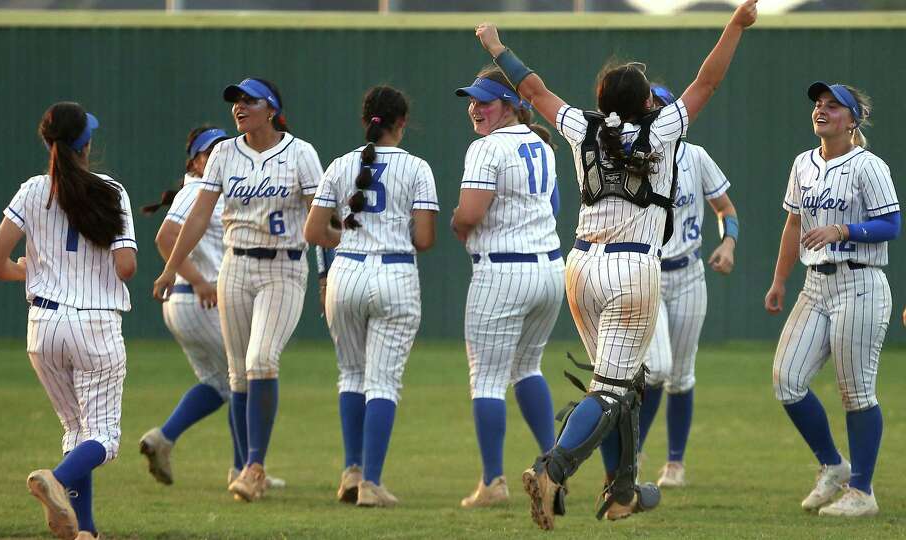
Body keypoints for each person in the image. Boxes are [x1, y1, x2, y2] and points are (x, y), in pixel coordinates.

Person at [473, 0, 758, 529]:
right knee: (611, 389)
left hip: (579, 268)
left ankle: (624, 490)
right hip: (632, 272)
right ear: (647, 101)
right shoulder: (663, 130)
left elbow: (531, 89)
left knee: (622, 384)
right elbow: (707, 81)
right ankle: (552, 469)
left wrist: (495, 47)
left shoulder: (583, 127)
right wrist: (735, 24)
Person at [153, 78, 323, 502]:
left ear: (272, 109)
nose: (239, 107)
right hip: (236, 265)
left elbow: (320, 222)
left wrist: (327, 274)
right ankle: (246, 466)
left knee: (262, 359)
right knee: (236, 375)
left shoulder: (301, 153)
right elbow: (196, 218)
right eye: (235, 101)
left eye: (249, 101)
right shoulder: (225, 153)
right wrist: (171, 269)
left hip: (283, 268)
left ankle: (254, 467)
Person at [0, 102, 136, 539]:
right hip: (94, 324)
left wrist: (28, 270)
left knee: (76, 429)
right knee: (103, 438)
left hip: (44, 326)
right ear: (85, 144)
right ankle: (58, 478)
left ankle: (83, 529)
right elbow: (126, 267)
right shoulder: (110, 190)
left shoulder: (32, 190)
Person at [764, 82, 898, 517]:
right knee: (787, 379)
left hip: (860, 283)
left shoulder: (868, 165)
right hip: (814, 285)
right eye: (818, 104)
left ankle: (862, 491)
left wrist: (845, 230)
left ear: (852, 120)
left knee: (856, 392)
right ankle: (833, 465)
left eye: (832, 106)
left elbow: (891, 225)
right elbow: (792, 226)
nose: (821, 110)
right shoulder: (803, 163)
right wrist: (779, 280)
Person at [305, 85, 439, 507]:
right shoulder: (417, 167)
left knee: (351, 375)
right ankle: (372, 484)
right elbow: (424, 239)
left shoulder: (341, 164)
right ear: (401, 123)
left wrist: (345, 235)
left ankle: (352, 471)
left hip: (345, 272)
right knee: (383, 382)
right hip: (394, 273)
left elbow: (313, 233)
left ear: (366, 122)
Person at [451, 66, 564, 509]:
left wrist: (459, 222)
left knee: (487, 381)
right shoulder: (542, 143)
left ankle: (493, 482)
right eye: (472, 101)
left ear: (510, 105)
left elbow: (471, 213)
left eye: (485, 100)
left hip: (503, 272)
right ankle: (556, 466)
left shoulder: (487, 147)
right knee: (529, 368)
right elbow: (552, 206)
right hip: (548, 271)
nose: (476, 109)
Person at [636, 84, 739, 488]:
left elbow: (726, 209)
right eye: (648, 106)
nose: (654, 112)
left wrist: (729, 241)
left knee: (681, 374)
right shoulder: (633, 155)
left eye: (659, 105)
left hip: (690, 272)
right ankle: (636, 452)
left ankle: (675, 462)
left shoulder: (695, 156)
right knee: (656, 369)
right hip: (648, 272)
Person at [138, 126, 246, 488]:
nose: (218, 156)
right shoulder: (198, 189)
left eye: (222, 149)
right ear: (196, 162)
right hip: (199, 297)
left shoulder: (212, 190)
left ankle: (163, 438)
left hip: (188, 302)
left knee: (218, 384)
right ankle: (244, 470)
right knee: (246, 380)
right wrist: (199, 279)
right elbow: (164, 238)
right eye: (210, 152)